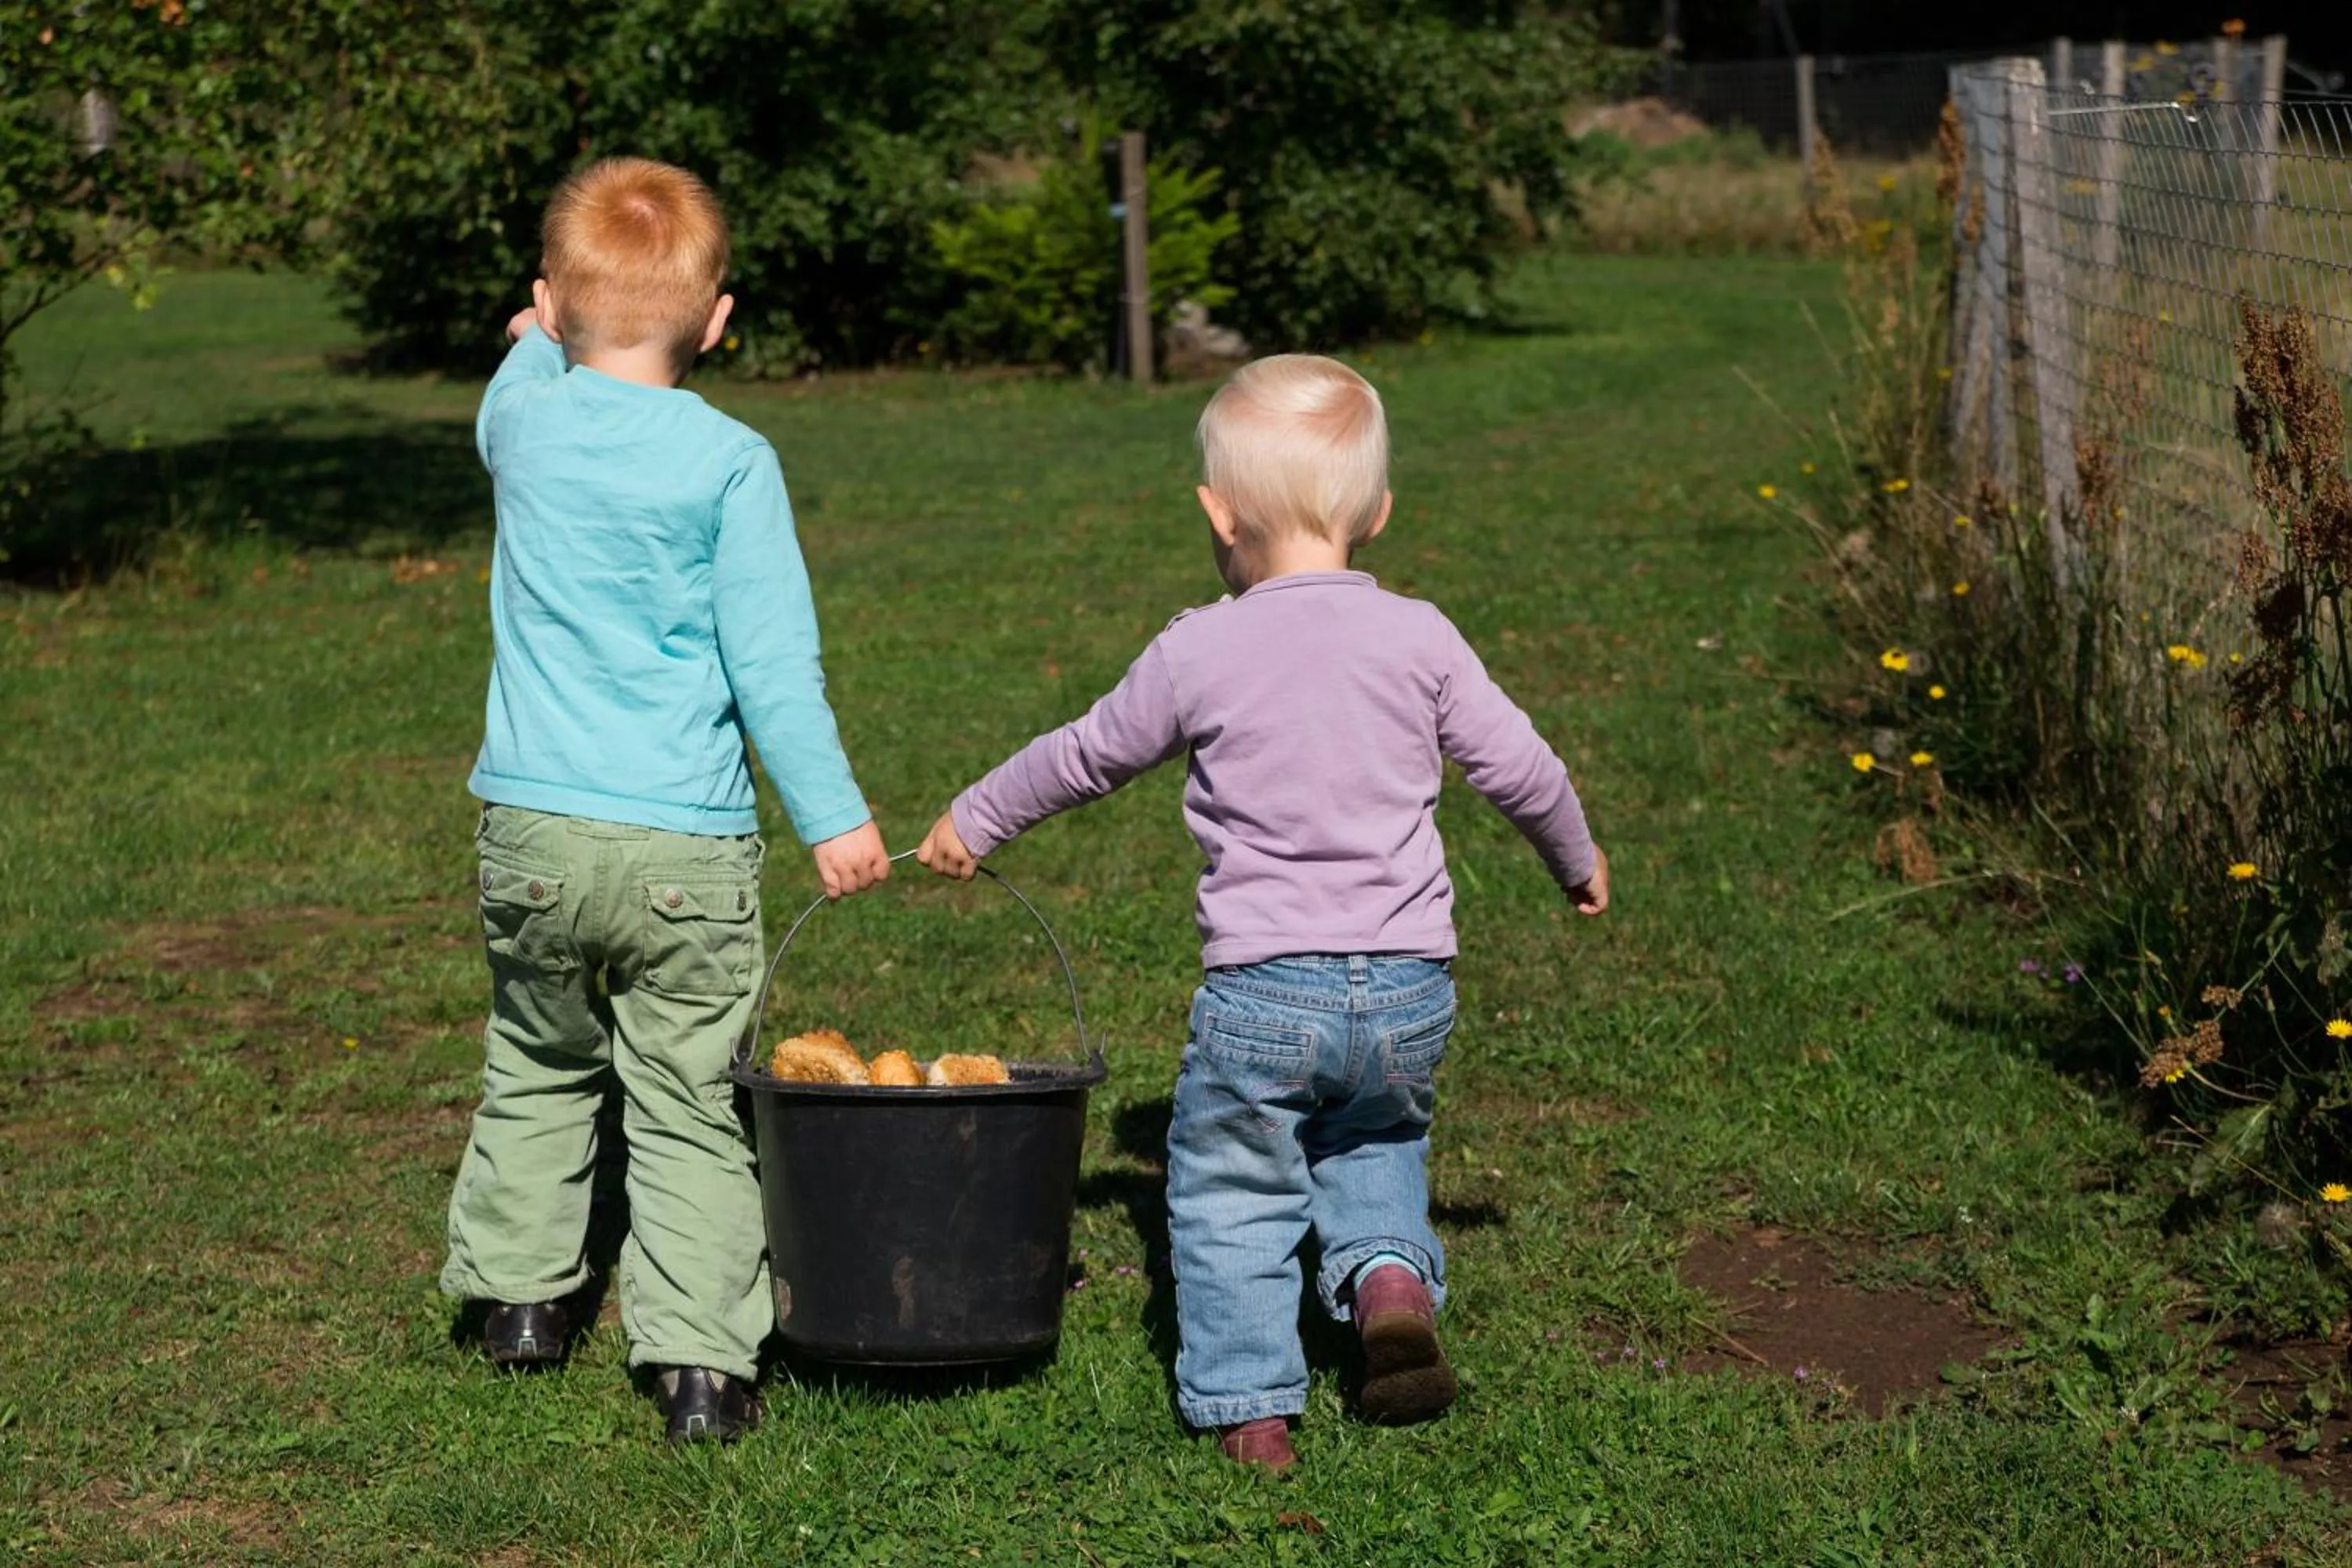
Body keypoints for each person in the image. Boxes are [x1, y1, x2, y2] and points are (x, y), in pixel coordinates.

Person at [915, 354, 1608, 1472]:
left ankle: (1252, 1411)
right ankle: (1388, 1281)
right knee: (1376, 1134)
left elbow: (1088, 755)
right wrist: (1574, 857)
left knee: (1234, 1190)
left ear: (1215, 511)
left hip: (1264, 994)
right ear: (1377, 512)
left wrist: (977, 818)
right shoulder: (1422, 636)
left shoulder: (1202, 645)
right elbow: (1520, 766)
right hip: (1406, 991)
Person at [440, 156, 890, 1444]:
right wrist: (834, 816)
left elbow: (519, 375)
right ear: (717, 322)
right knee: (690, 1097)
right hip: (684, 844)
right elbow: (772, 667)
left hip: (529, 831)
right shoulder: (733, 460)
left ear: (546, 299)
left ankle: (520, 1304)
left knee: (534, 1060)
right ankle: (700, 1364)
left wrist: (536, 336)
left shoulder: (520, 421)